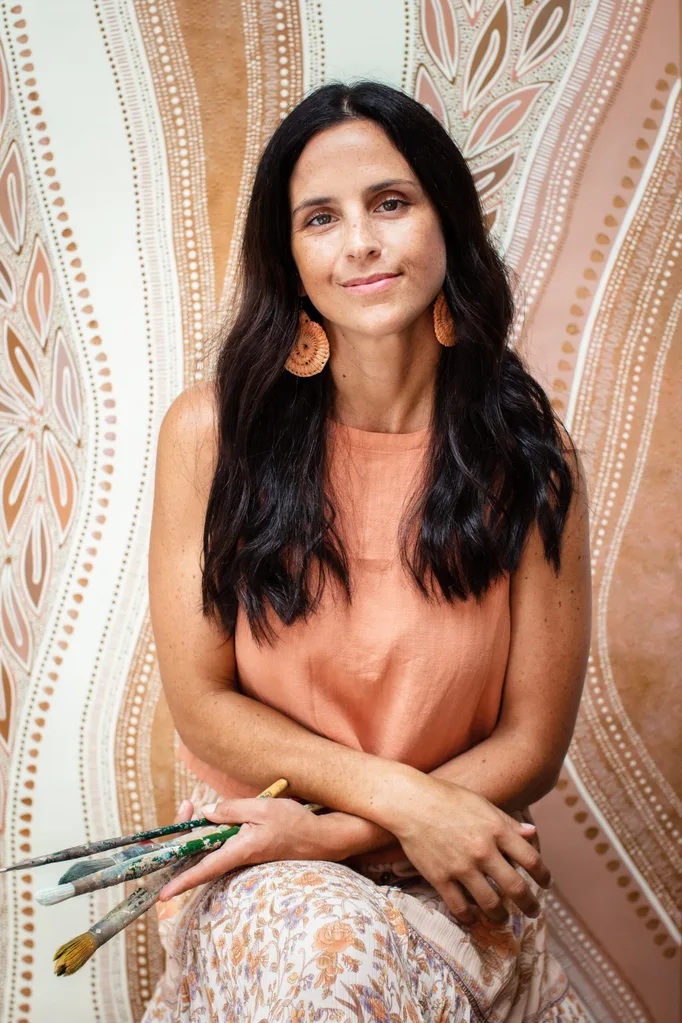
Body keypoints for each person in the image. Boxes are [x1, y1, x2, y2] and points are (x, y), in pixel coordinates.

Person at [143, 80, 591, 1021]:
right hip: (261, 860)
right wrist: (390, 803)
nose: (360, 242)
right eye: (320, 217)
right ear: (290, 256)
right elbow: (204, 702)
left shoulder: (528, 459)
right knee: (328, 952)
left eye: (391, 202)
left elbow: (532, 740)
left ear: (446, 221)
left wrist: (353, 829)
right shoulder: (211, 434)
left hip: (454, 866)